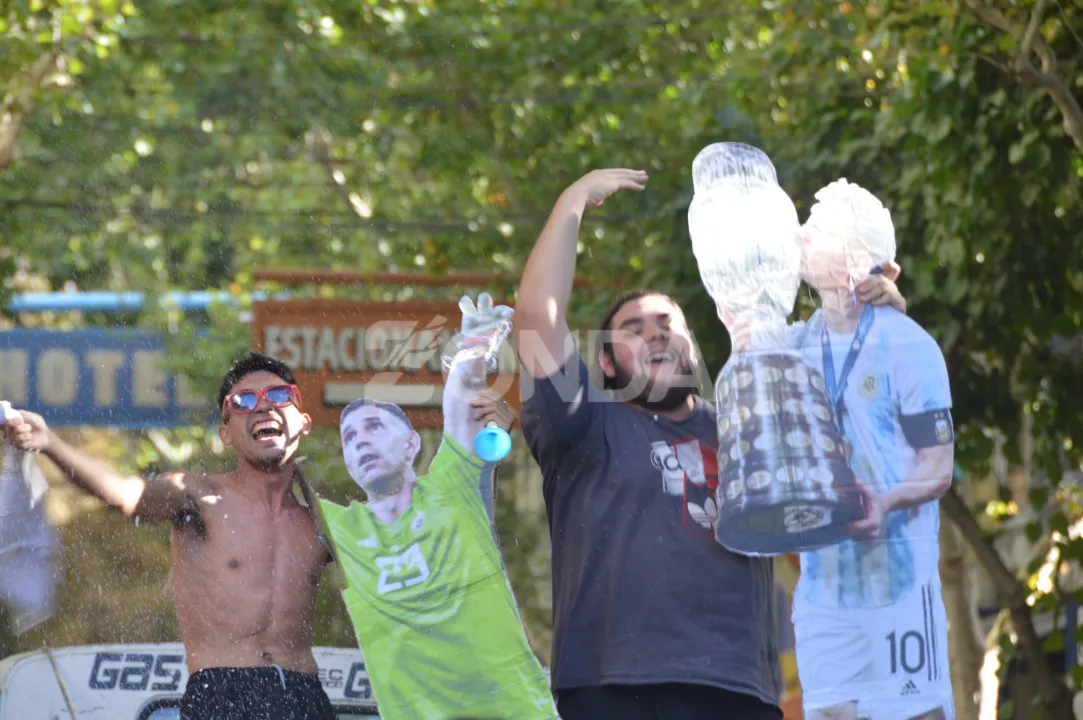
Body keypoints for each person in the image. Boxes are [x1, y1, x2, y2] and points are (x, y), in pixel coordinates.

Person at [512, 169, 909, 720]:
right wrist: (573, 197)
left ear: (694, 347)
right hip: (611, 690)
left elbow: (873, 432)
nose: (655, 332)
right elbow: (536, 320)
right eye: (633, 328)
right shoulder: (584, 428)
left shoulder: (755, 420)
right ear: (605, 362)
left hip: (742, 692)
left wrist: (885, 320)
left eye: (667, 323)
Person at [2, 352, 335, 720]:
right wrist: (50, 442)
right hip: (223, 694)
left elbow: (396, 576)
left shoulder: (324, 523)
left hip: (306, 696)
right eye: (242, 402)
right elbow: (124, 494)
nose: (262, 407)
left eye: (277, 396)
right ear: (225, 434)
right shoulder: (199, 497)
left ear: (303, 421)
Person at [310, 295, 557, 720]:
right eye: (349, 438)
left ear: (412, 444)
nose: (360, 441)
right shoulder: (335, 526)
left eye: (373, 427)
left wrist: (474, 350)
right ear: (348, 463)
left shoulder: (452, 485)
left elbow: (461, 412)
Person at [789, 180, 955, 720]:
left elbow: (939, 466)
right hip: (824, 596)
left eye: (813, 231)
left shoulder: (908, 343)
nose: (799, 237)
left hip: (902, 592)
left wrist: (883, 501)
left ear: (854, 255)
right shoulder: (792, 346)